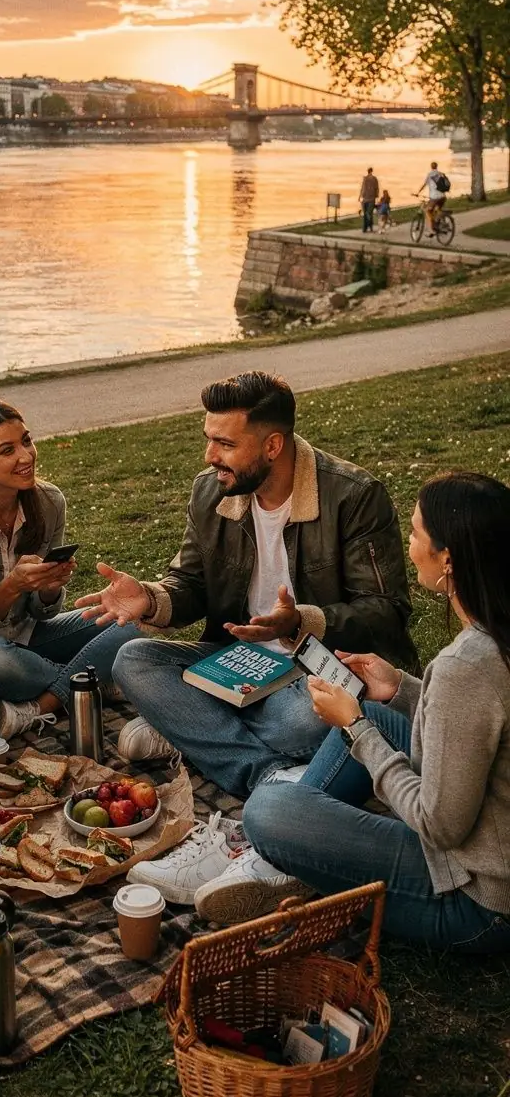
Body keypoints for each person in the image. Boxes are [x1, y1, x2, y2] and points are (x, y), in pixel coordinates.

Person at [76, 371, 417, 902]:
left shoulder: (354, 495)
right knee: (134, 659)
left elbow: (387, 613)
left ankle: (202, 733)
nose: (211, 455)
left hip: (315, 672)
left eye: (225, 443)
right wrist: (150, 597)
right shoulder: (213, 490)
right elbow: (188, 582)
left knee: (307, 721)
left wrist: (302, 621)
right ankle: (276, 777)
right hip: (235, 659)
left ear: (273, 445)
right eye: (208, 438)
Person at [203, 473, 510, 952]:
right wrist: (399, 690)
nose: (408, 546)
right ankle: (295, 859)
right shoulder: (495, 636)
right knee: (383, 716)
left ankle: (291, 858)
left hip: (475, 898)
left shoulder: (467, 666)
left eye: (415, 534)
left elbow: (440, 825)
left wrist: (354, 725)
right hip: (486, 836)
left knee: (267, 808)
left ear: (447, 559)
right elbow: (477, 724)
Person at [0, 399, 140, 739]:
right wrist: (11, 587)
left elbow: (41, 614)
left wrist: (48, 588)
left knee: (126, 627)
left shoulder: (49, 502)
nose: (26, 456)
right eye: (7, 450)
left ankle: (39, 706)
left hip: (24, 637)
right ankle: (93, 681)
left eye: (26, 441)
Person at [416, 160, 449, 236]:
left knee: (428, 211)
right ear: (437, 166)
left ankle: (431, 230)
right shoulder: (441, 174)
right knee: (437, 209)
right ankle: (442, 224)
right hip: (443, 197)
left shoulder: (430, 174)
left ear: (431, 167)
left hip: (434, 197)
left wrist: (418, 193)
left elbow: (424, 185)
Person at [358, 168, 379, 233]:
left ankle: (366, 228)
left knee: (366, 214)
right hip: (370, 199)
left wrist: (360, 197)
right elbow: (377, 188)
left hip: (365, 199)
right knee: (369, 214)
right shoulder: (374, 179)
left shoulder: (365, 178)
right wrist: (376, 196)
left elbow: (362, 188)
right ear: (371, 171)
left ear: (368, 171)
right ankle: (369, 227)